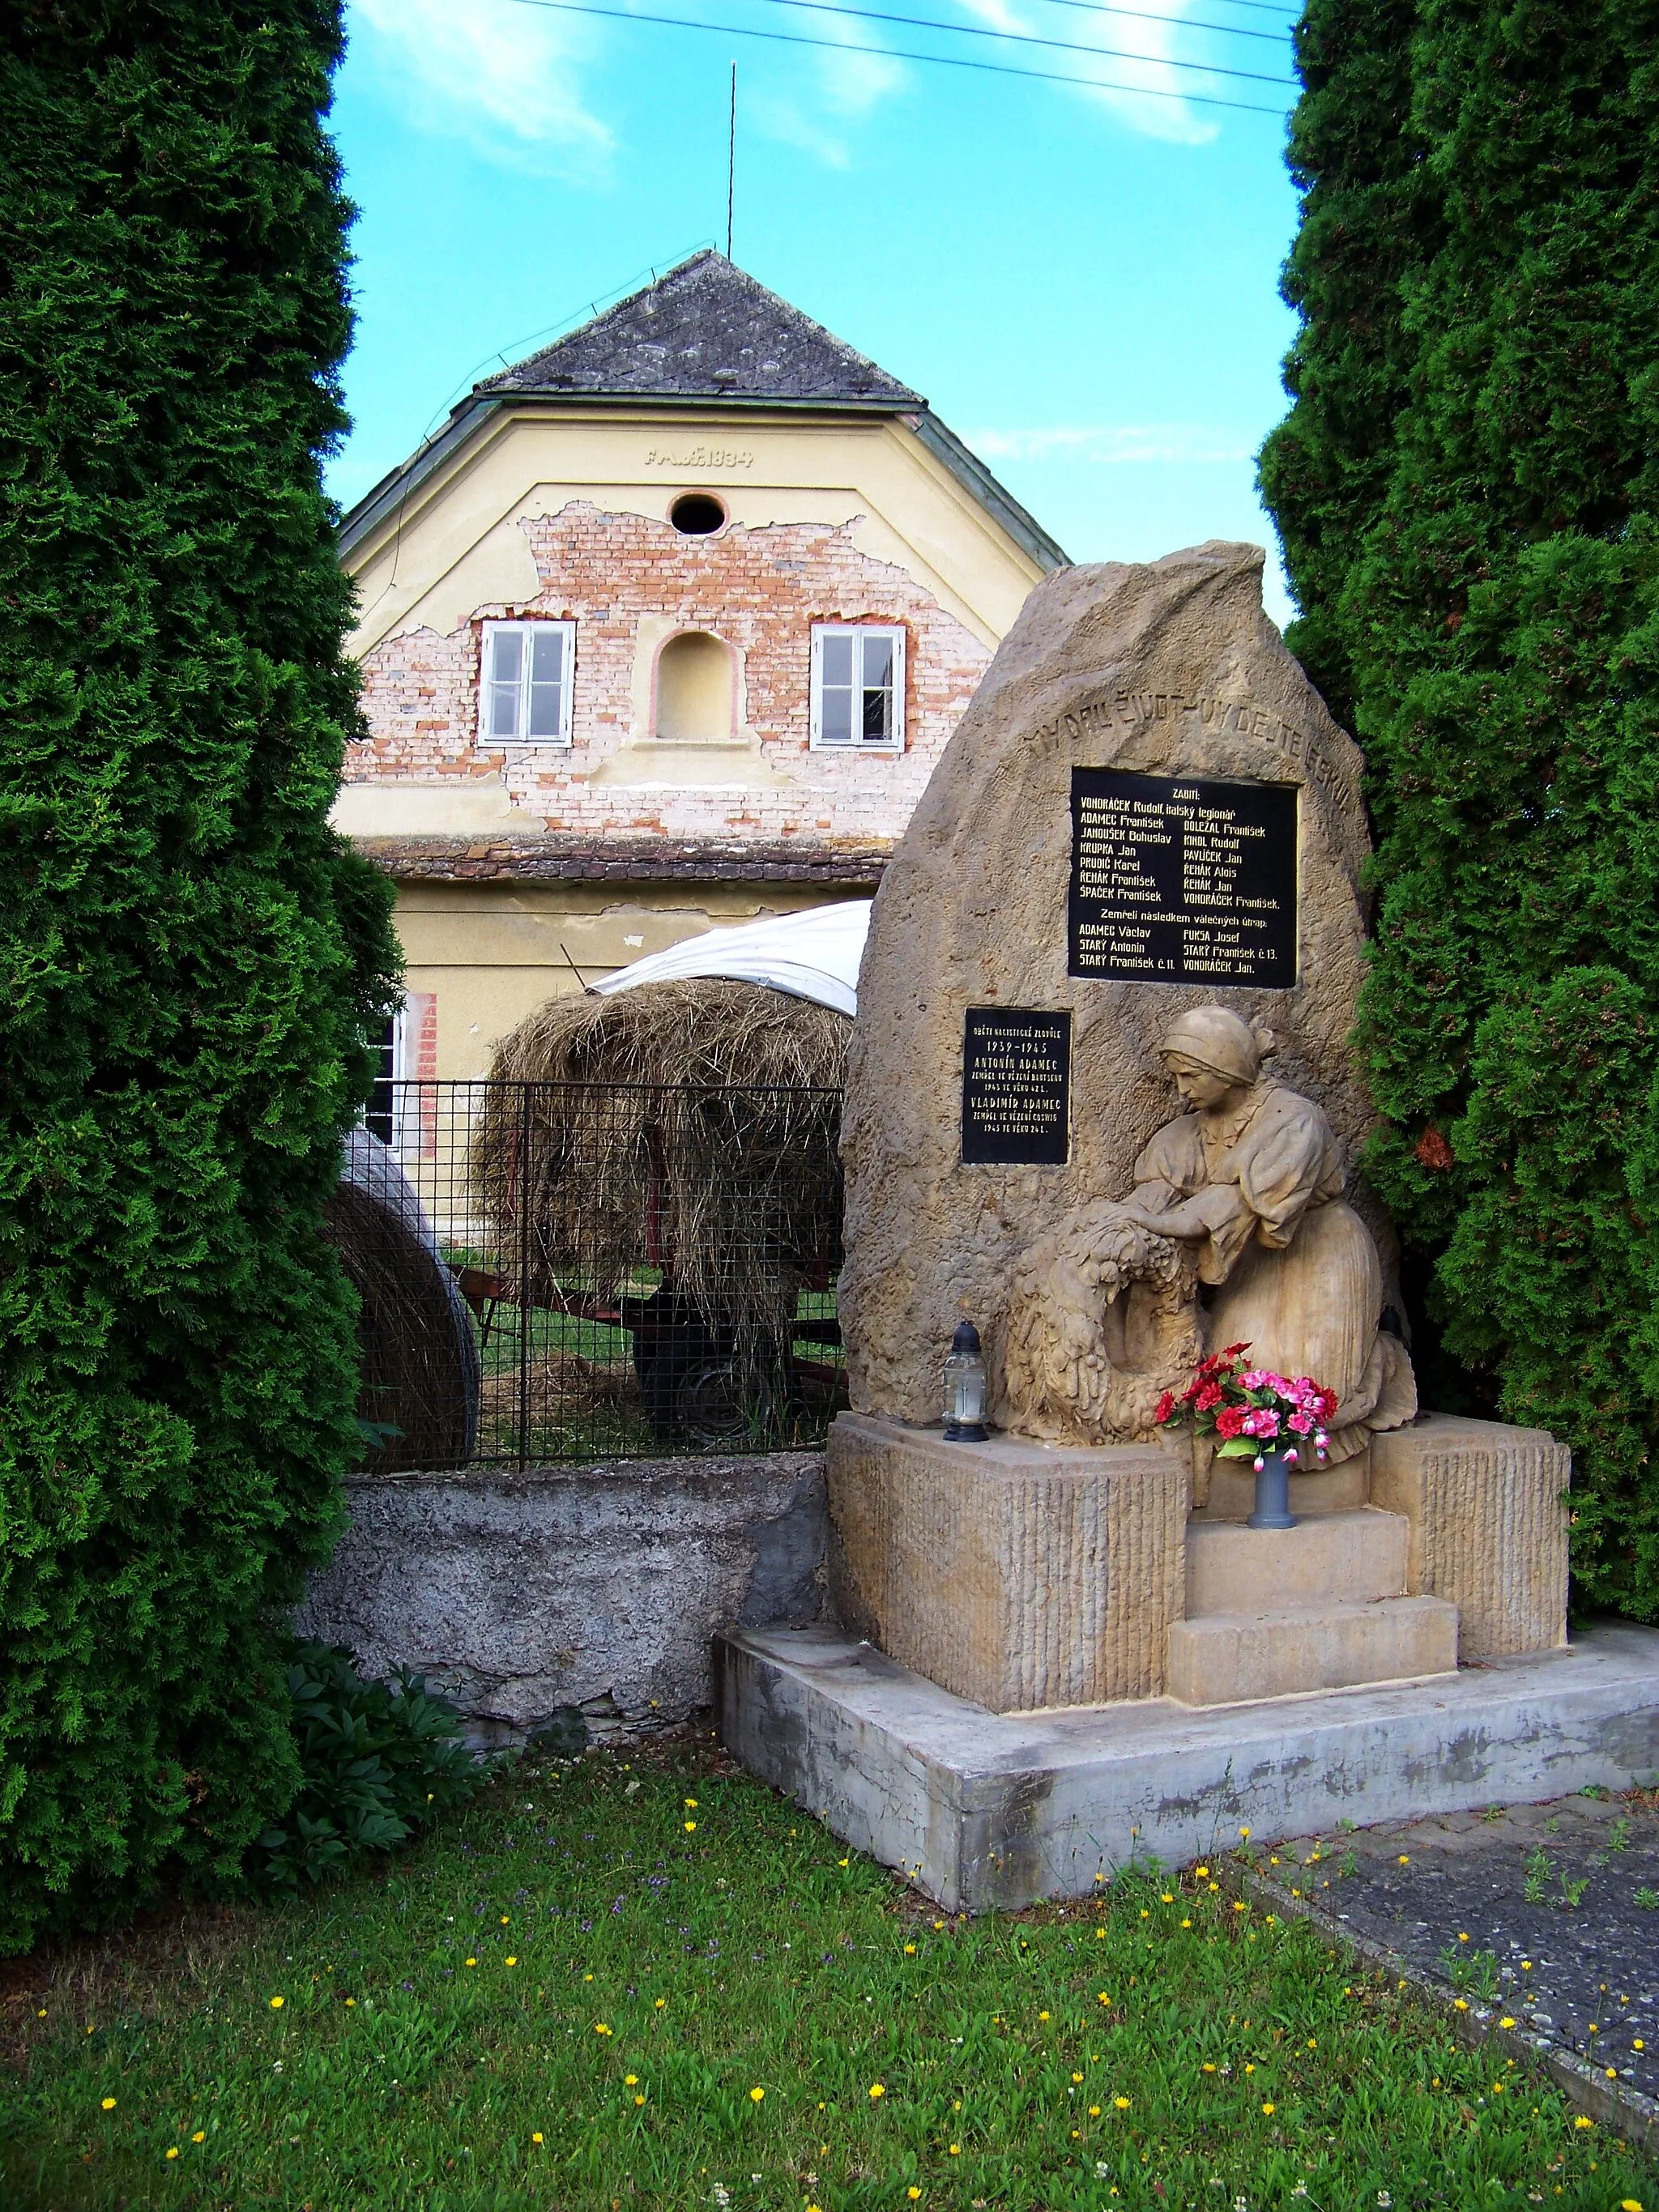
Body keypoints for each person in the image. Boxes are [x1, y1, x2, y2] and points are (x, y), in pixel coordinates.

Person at [1114, 1006, 1415, 1464]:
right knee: (1237, 1378)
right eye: (1177, 1077)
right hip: (1253, 1263)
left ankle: (1382, 1359)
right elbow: (1154, 1194)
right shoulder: (1185, 1134)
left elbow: (1236, 1206)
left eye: (1192, 1076)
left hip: (1321, 1253)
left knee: (1310, 1391)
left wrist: (1154, 1224)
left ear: (1228, 1069)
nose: (1182, 1089)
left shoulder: (1295, 1121)